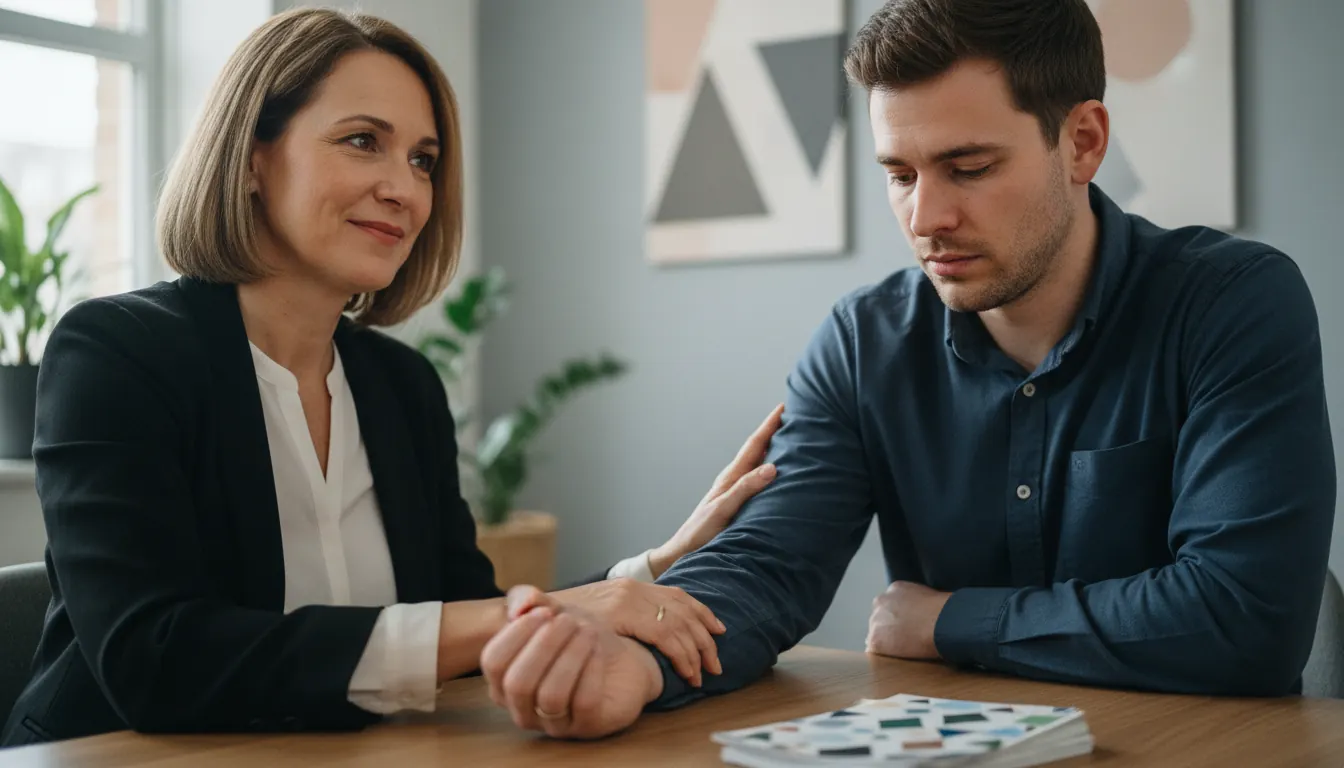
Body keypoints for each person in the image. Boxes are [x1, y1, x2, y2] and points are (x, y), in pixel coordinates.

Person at [479, 0, 1338, 740]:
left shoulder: (1232, 302)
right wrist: (636, 660)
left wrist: (948, 620)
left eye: (969, 168)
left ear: (1081, 142)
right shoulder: (863, 342)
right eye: (899, 174)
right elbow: (769, 565)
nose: (926, 217)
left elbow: (1244, 619)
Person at [0, 8, 784, 747]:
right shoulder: (116, 352)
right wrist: (542, 611)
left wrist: (645, 572)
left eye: (423, 160)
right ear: (250, 158)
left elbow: (465, 627)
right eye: (361, 141)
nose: (404, 188)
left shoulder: (400, 386)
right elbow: (156, 659)